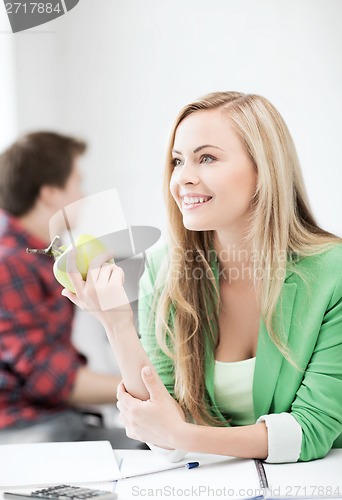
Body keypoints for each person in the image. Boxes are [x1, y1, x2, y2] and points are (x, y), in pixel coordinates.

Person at [61, 92, 342, 463]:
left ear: (264, 170)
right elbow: (160, 438)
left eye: (206, 158)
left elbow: (312, 430)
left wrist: (182, 434)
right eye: (178, 161)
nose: (183, 179)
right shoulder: (164, 271)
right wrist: (116, 324)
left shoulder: (330, 271)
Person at [0, 131, 143, 448]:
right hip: (25, 427)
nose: (83, 192)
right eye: (77, 183)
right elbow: (52, 379)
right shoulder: (10, 263)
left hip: (51, 419)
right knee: (151, 448)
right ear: (50, 192)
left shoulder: (37, 255)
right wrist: (155, 385)